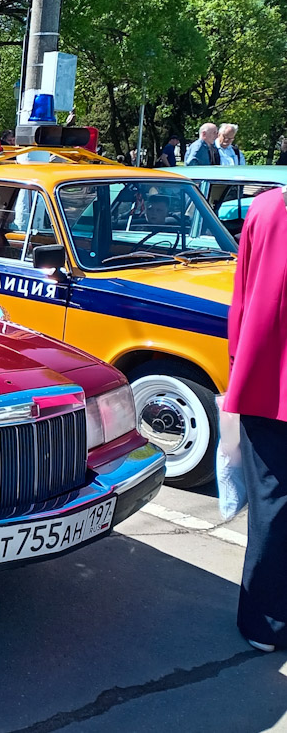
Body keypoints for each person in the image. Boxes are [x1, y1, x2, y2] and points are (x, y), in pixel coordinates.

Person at [224, 185, 287, 652]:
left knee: (270, 502)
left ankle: (264, 623)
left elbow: (241, 301)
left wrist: (236, 368)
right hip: (264, 378)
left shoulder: (264, 208)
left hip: (266, 378)